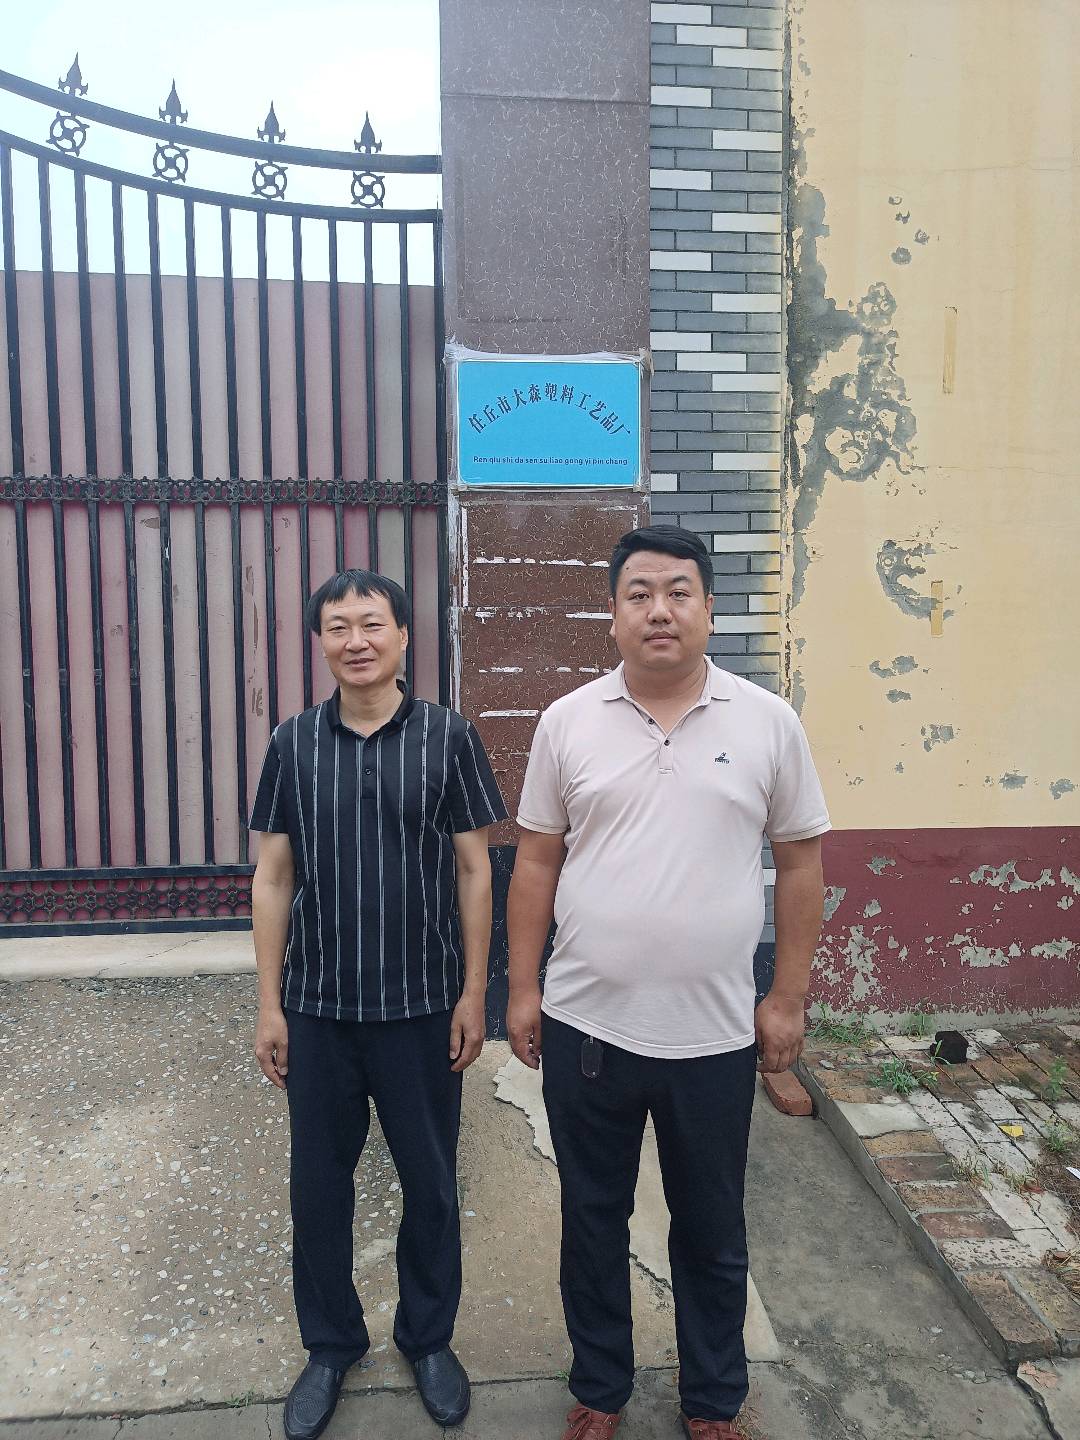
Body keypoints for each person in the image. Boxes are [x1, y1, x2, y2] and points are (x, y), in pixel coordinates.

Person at [506, 524, 829, 1440]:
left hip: (715, 1034)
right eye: (639, 593)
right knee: (592, 1221)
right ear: (612, 614)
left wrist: (786, 998)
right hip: (589, 1028)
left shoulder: (767, 722)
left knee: (712, 1227)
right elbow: (536, 861)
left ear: (708, 610)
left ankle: (713, 1398)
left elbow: (800, 864)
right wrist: (522, 990)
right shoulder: (568, 721)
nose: (660, 610)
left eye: (678, 592)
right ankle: (600, 1387)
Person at [250, 569, 506, 1440]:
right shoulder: (292, 743)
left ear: (402, 635)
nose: (354, 641)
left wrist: (474, 993)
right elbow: (273, 876)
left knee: (430, 1185)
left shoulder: (449, 737)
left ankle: (427, 1339)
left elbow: (475, 870)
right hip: (318, 1009)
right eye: (337, 627)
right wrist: (269, 1004)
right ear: (320, 641)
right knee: (318, 1190)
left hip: (421, 1008)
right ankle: (330, 1345)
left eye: (371, 624)